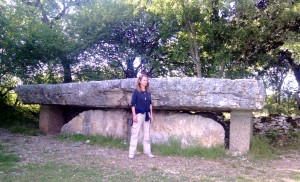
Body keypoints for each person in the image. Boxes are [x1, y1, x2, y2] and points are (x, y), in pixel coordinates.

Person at [128, 74, 154, 159]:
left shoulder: (148, 92)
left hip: (147, 115)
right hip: (138, 114)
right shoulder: (136, 91)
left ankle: (147, 151)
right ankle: (132, 152)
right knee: (135, 133)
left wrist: (151, 115)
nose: (145, 82)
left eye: (146, 80)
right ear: (140, 81)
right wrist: (134, 115)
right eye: (144, 80)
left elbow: (150, 104)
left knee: (147, 134)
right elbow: (132, 104)